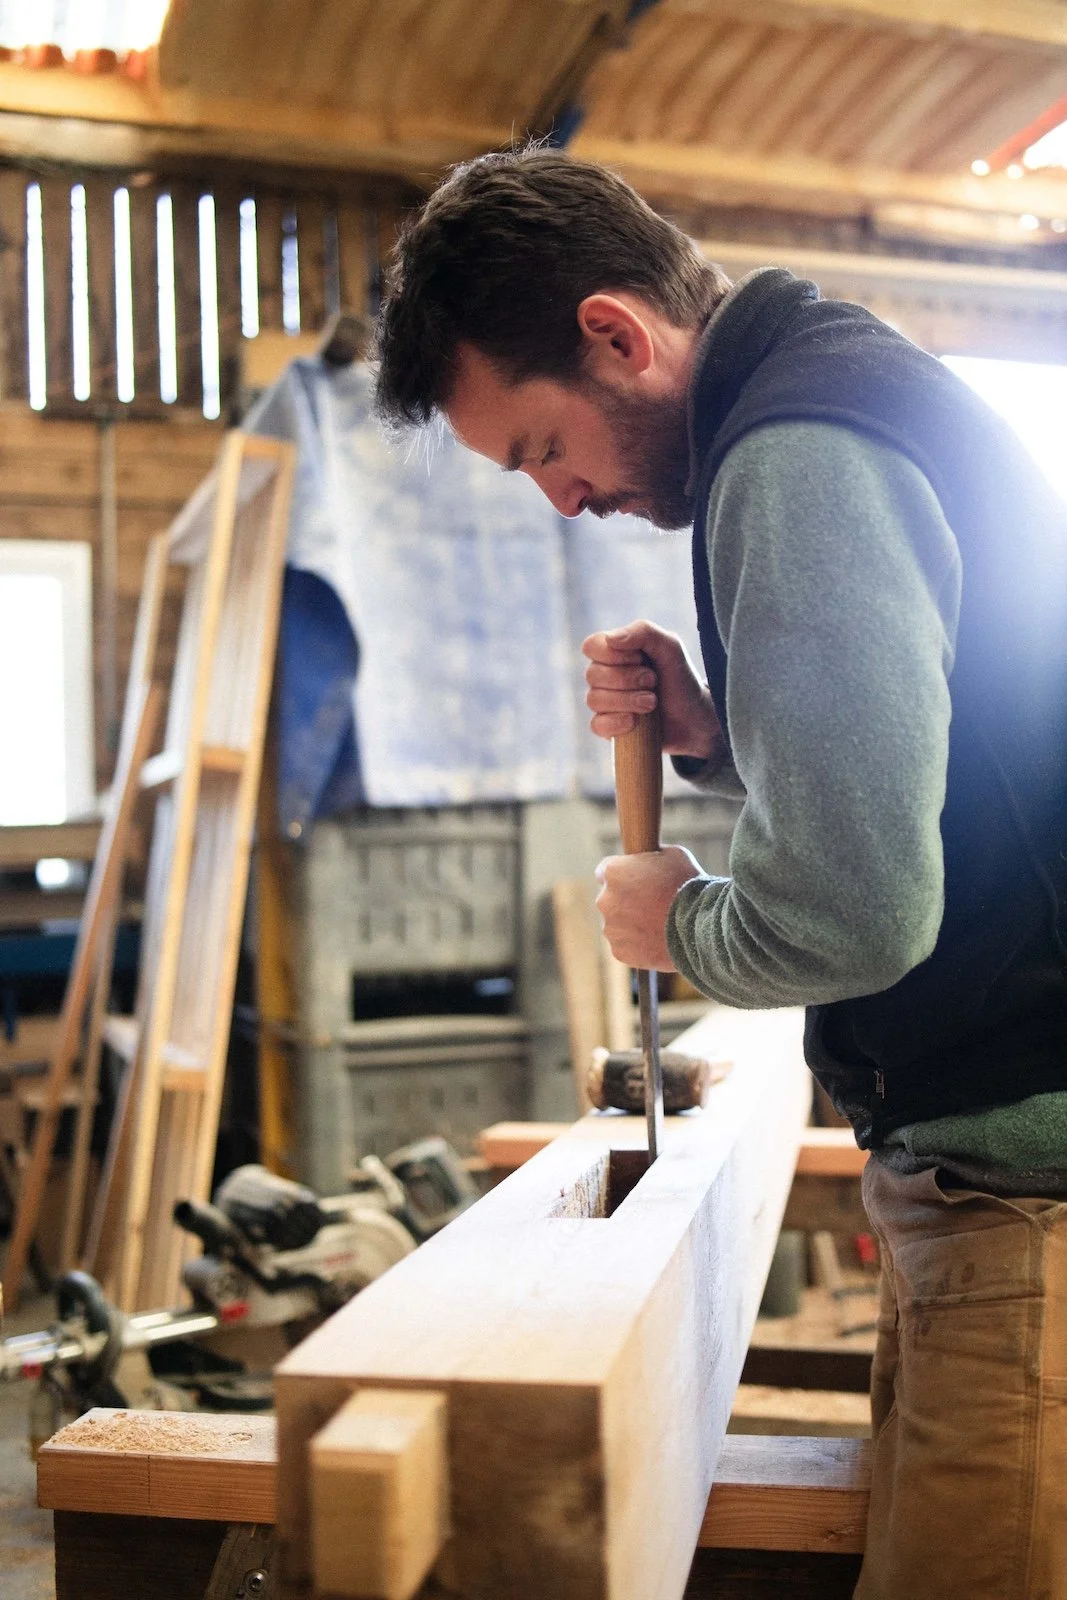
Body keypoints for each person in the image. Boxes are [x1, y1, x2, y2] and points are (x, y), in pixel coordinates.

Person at [373, 144, 1067, 1599]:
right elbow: (952, 775)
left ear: (616, 336)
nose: (561, 500)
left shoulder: (792, 457)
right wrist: (715, 730)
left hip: (1028, 1203)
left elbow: (857, 911)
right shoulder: (832, 383)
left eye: (541, 450)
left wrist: (680, 916)